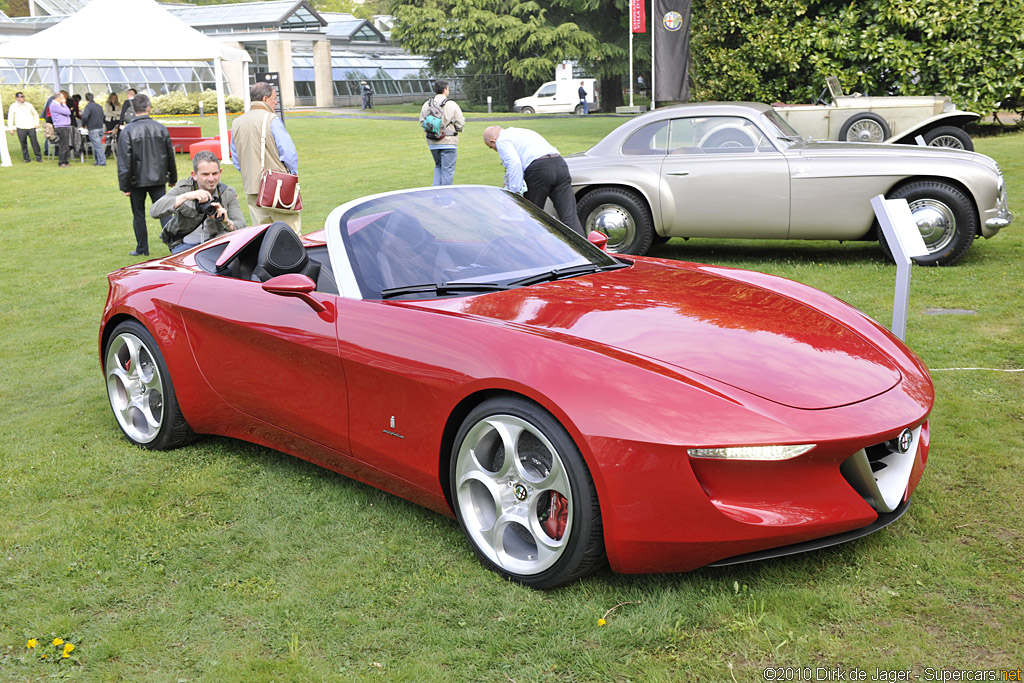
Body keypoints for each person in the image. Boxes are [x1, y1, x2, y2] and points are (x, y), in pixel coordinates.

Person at [482, 125, 584, 235]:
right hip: (560, 165)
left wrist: (514, 193)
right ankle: (585, 251)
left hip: (539, 169)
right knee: (570, 217)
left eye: (492, 147)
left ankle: (533, 249)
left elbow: (515, 164)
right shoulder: (522, 132)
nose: (495, 150)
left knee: (532, 217)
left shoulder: (502, 140)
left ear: (493, 141)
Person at [231, 81, 301, 234]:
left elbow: (236, 160)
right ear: (264, 98)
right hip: (278, 185)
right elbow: (288, 154)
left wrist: (250, 173)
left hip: (251, 187)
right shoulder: (271, 119)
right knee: (290, 232)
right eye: (274, 98)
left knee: (263, 234)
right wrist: (292, 174)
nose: (276, 102)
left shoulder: (237, 123)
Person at [117, 93, 177, 257]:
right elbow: (169, 154)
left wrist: (125, 185)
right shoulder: (159, 128)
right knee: (164, 212)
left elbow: (124, 161)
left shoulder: (128, 131)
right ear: (148, 108)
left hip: (137, 180)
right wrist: (172, 178)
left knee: (139, 215)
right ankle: (174, 244)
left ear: (134, 110)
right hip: (157, 178)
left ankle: (142, 248)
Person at [151, 150, 245, 253]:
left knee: (232, 267)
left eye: (215, 173)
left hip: (216, 243)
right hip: (185, 244)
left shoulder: (227, 193)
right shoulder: (184, 189)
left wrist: (226, 221)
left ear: (220, 172)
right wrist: (186, 197)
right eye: (205, 174)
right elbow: (154, 211)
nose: (211, 178)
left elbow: (242, 228)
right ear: (194, 175)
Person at [419, 79, 465, 186]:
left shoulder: (427, 104)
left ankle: (436, 195)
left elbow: (422, 122)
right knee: (447, 170)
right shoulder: (451, 104)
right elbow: (460, 123)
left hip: (432, 142)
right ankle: (446, 200)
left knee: (438, 167)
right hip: (449, 141)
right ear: (445, 90)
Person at [6, 91, 42, 163]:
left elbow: (35, 114)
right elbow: (10, 118)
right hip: (20, 127)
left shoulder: (29, 105)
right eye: (21, 97)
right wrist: (11, 128)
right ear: (17, 98)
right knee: (23, 143)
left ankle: (38, 157)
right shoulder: (13, 106)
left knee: (34, 142)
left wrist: (36, 123)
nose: (23, 98)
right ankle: (26, 158)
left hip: (31, 126)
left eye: (23, 96)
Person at [81, 92, 105, 166]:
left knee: (97, 146)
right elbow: (103, 116)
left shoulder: (88, 107)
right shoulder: (99, 106)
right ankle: (98, 161)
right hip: (100, 127)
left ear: (86, 99)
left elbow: (85, 117)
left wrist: (84, 125)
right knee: (98, 145)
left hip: (93, 128)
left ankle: (101, 162)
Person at [49, 91, 73, 167]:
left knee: (66, 145)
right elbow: (68, 112)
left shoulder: (59, 105)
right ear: (58, 98)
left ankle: (65, 161)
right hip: (61, 126)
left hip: (64, 126)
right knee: (63, 145)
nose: (64, 99)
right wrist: (64, 104)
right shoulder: (55, 105)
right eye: (62, 98)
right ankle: (62, 162)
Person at [104, 93, 121, 157]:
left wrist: (113, 113)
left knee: (116, 136)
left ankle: (117, 152)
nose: (114, 99)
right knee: (109, 136)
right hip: (109, 121)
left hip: (116, 121)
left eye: (115, 98)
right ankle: (107, 152)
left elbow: (120, 112)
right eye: (113, 98)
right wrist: (116, 114)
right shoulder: (107, 104)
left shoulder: (118, 104)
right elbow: (107, 114)